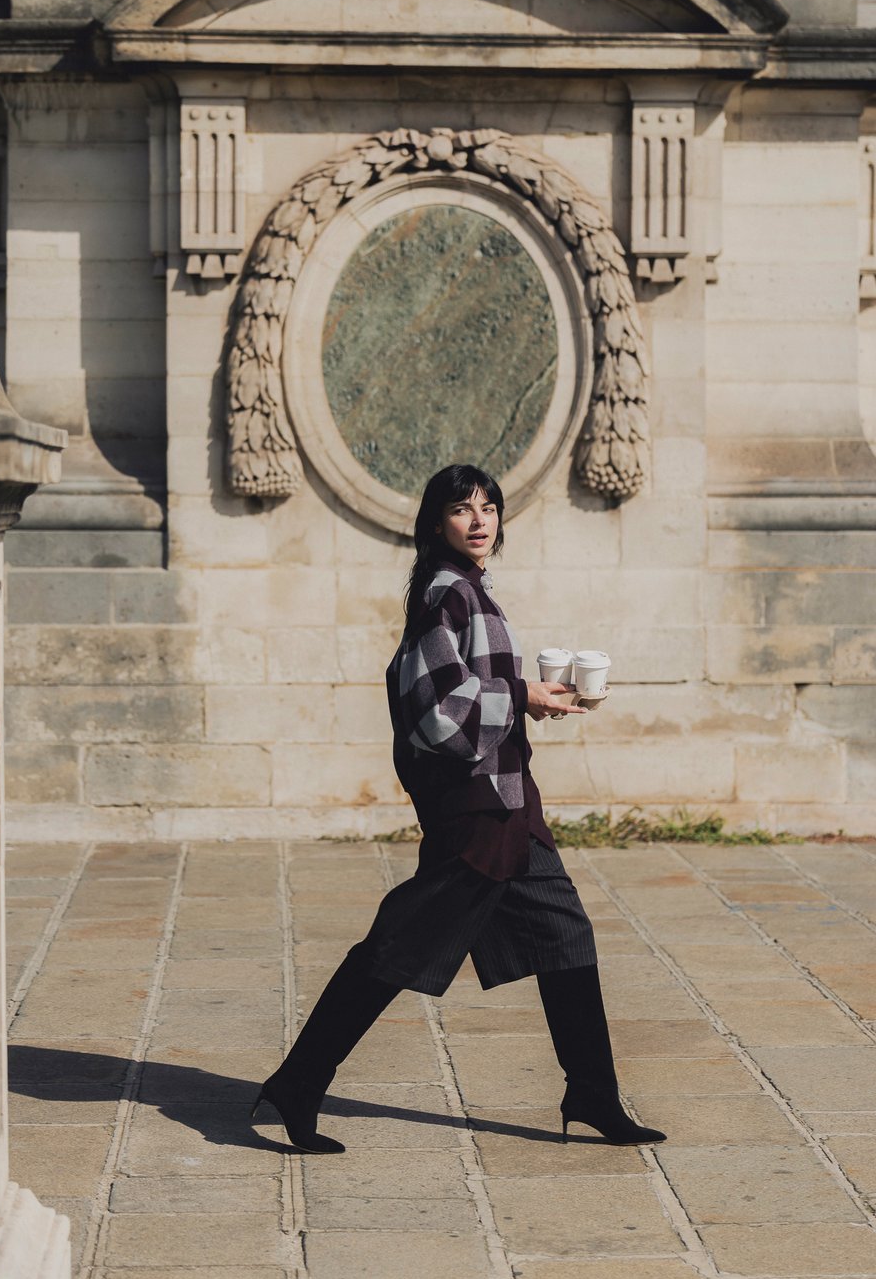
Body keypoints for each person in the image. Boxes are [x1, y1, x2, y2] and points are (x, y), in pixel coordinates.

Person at [252, 463, 665, 1154]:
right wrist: (521, 697)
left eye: (488, 508)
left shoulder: (470, 589)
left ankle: (593, 1093)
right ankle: (298, 1080)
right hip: (477, 815)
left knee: (566, 933)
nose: (479, 520)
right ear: (435, 522)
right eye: (461, 509)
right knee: (395, 948)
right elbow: (437, 715)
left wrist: (527, 695)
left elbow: (471, 691)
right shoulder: (445, 593)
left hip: (510, 804)